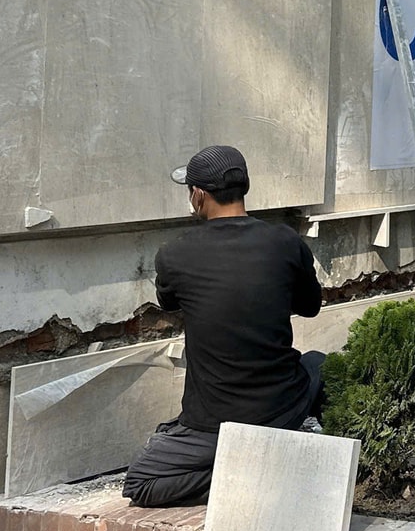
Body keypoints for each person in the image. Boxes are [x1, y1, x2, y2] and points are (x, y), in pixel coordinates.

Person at [122, 145, 327, 507]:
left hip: (213, 424)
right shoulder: (285, 242)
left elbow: (170, 302)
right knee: (317, 363)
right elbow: (310, 307)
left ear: (198, 195)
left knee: (141, 483)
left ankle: (244, 473)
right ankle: (287, 456)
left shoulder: (175, 254)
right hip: (282, 408)